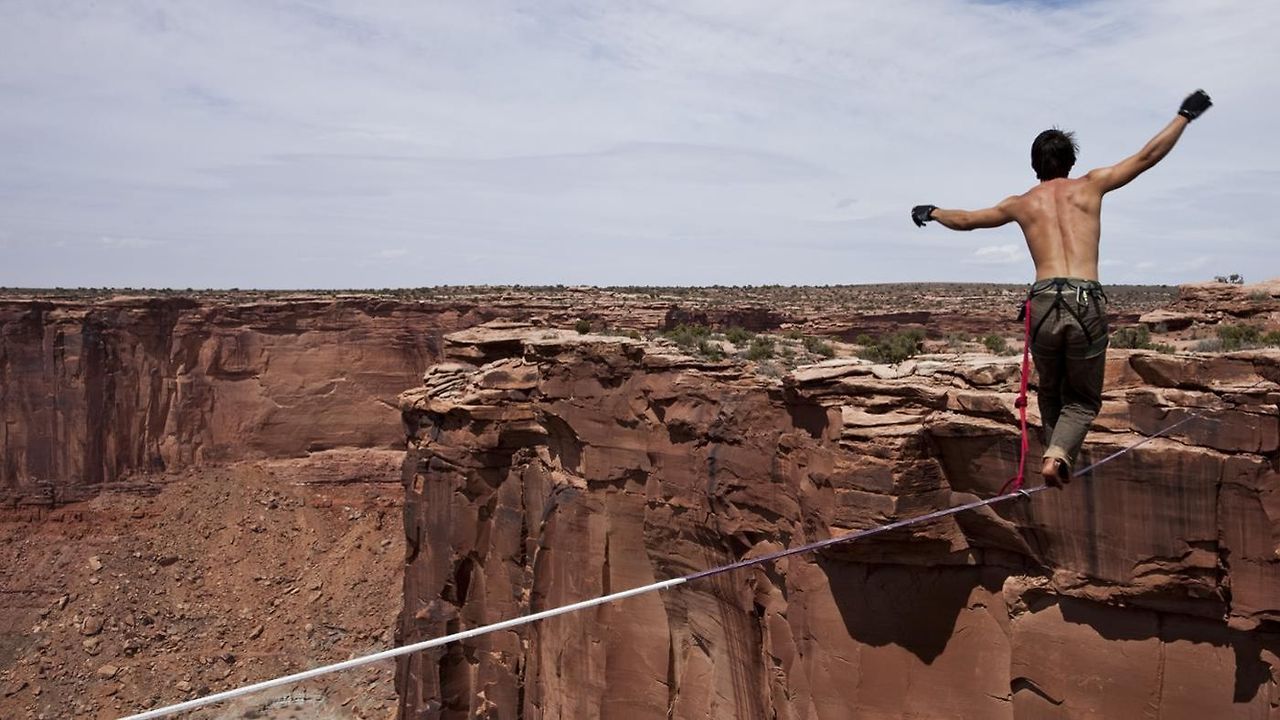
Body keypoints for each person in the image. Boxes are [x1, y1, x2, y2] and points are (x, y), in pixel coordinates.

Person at [910, 90, 1213, 487]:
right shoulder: (1092, 185)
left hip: (1043, 303)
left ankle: (1055, 450)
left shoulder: (1020, 203)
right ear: (1071, 162)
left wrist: (932, 212)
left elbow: (967, 219)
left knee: (1050, 390)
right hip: (1084, 302)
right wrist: (1184, 116)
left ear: (1034, 165)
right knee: (1084, 399)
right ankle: (1057, 455)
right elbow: (1146, 157)